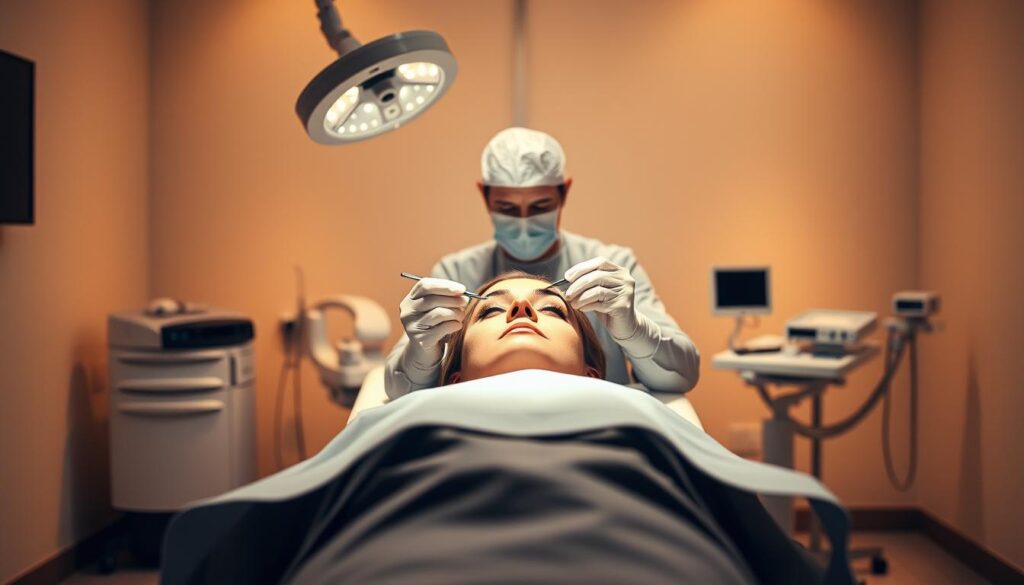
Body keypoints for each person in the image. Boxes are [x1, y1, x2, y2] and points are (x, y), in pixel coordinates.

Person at [386, 127, 699, 399]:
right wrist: (421, 351)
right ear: (485, 196)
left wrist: (632, 328)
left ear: (564, 193)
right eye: (507, 207)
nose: (523, 221)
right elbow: (401, 390)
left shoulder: (613, 265)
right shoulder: (456, 273)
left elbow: (682, 374)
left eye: (540, 206)